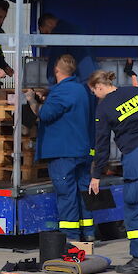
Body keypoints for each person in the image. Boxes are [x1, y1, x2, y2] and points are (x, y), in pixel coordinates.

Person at [87, 69, 138, 274]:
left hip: (136, 154)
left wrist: (96, 174)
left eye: (94, 92)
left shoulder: (104, 107)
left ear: (99, 87)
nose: (95, 96)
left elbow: (102, 144)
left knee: (137, 206)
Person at [26, 53, 95, 241]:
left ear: (56, 70)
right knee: (83, 192)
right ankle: (88, 233)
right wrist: (49, 94)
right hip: (81, 150)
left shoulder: (61, 92)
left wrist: (32, 99)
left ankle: (70, 237)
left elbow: (45, 114)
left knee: (66, 195)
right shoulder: (81, 90)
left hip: (63, 153)